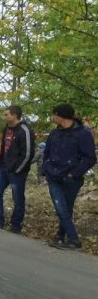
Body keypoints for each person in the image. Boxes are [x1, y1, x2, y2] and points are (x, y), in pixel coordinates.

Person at [43, 104, 96, 250]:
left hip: (71, 178)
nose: (53, 117)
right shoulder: (54, 133)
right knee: (61, 208)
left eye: (55, 114)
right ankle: (70, 238)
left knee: (66, 209)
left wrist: (74, 173)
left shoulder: (82, 134)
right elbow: (46, 153)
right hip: (53, 176)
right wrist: (45, 168)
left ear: (62, 116)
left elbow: (90, 158)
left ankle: (64, 238)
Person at [0, 105, 35, 234]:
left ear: (15, 115)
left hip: (17, 171)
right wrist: (1, 162)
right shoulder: (7, 128)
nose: (4, 117)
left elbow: (28, 153)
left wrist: (18, 169)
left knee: (17, 198)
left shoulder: (25, 130)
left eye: (6, 115)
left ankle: (16, 226)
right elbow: (4, 147)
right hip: (4, 168)